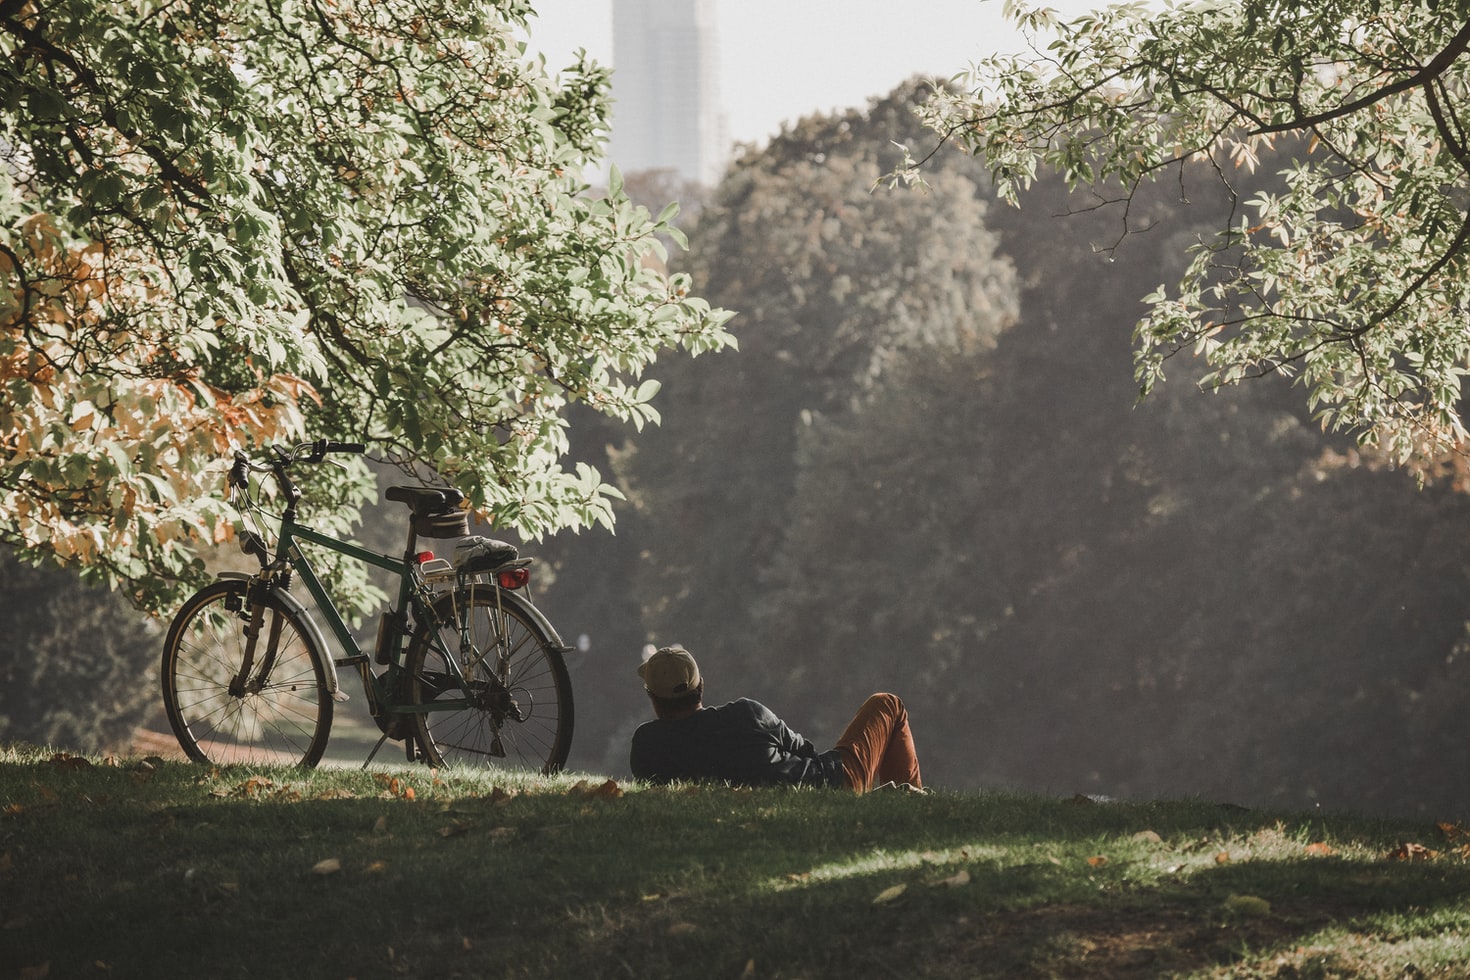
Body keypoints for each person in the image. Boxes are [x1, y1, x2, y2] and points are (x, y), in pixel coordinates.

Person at [629, 645, 924, 793]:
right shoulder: (748, 713)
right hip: (829, 784)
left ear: (653, 698)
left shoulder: (647, 745)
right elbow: (807, 752)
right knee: (887, 704)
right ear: (701, 686)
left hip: (808, 793)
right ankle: (915, 804)